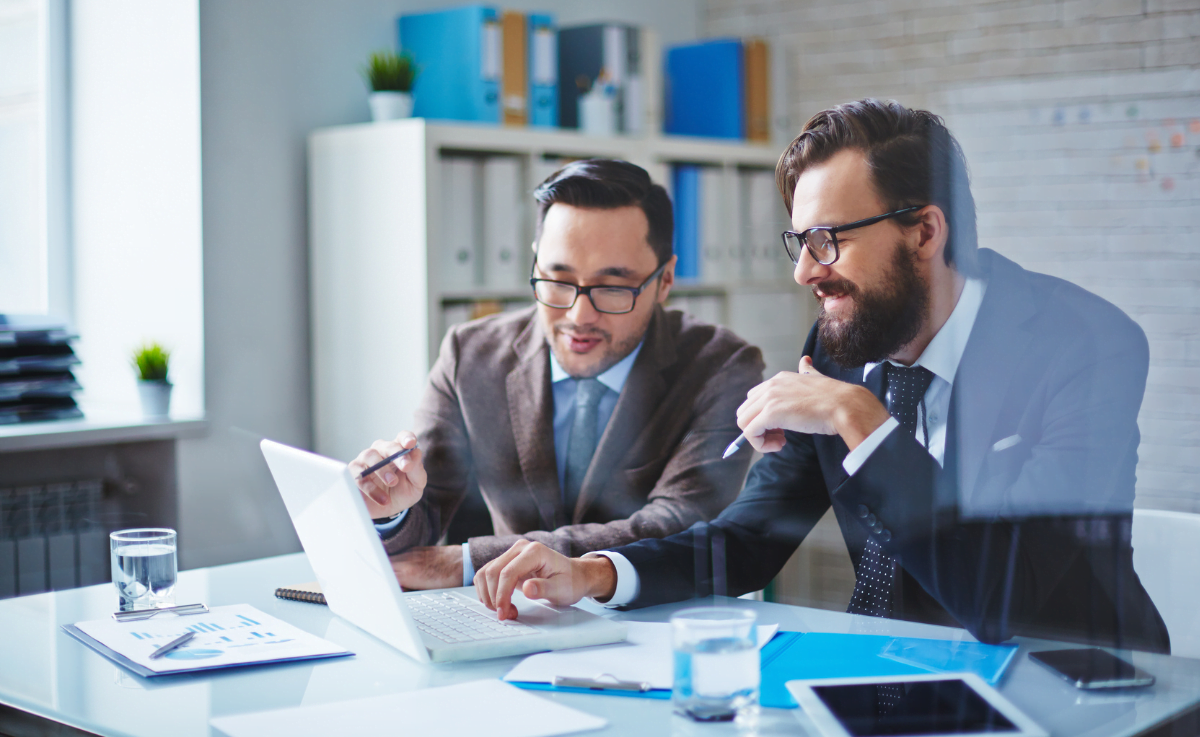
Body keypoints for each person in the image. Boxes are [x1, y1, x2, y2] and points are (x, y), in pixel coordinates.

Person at [473, 100, 1170, 653]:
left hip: (1077, 685)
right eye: (799, 243)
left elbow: (1005, 596)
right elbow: (748, 541)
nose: (805, 271)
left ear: (924, 233)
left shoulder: (1085, 347)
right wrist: (595, 575)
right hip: (888, 677)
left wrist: (863, 422)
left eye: (828, 240)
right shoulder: (840, 348)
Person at [352, 159, 765, 590]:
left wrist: (470, 560)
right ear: (535, 264)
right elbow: (424, 509)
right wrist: (388, 506)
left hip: (655, 623)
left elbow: (678, 525)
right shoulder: (469, 355)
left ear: (665, 281)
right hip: (510, 619)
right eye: (558, 280)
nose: (578, 315)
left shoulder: (722, 367)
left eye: (612, 287)